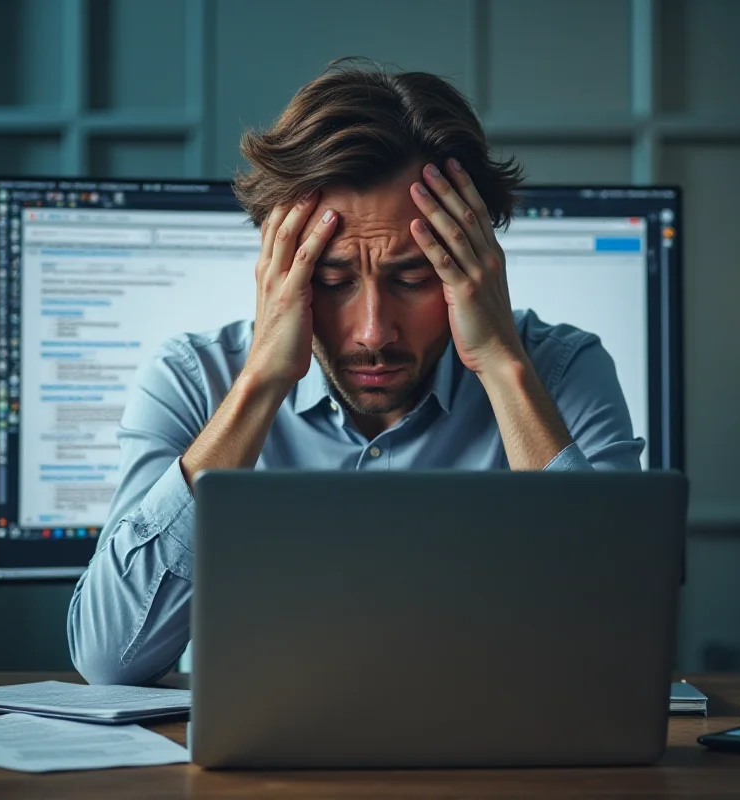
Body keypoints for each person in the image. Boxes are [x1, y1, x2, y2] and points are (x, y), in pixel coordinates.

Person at [67, 58, 644, 686]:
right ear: (278, 270)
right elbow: (109, 658)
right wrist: (261, 381)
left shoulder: (561, 372)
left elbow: (621, 641)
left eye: (414, 277)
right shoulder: (190, 378)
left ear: (475, 262)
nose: (373, 332)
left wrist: (502, 365)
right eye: (334, 281)